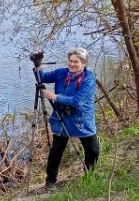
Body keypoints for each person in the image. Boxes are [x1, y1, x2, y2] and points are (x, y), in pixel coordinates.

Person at [37, 48, 98, 191]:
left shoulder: (88, 78)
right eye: (70, 61)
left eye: (76, 61)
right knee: (56, 150)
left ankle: (89, 176)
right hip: (62, 118)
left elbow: (78, 101)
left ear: (83, 63)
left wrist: (53, 96)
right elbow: (42, 77)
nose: (72, 64)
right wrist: (37, 64)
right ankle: (50, 183)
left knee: (93, 150)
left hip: (81, 119)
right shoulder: (61, 73)